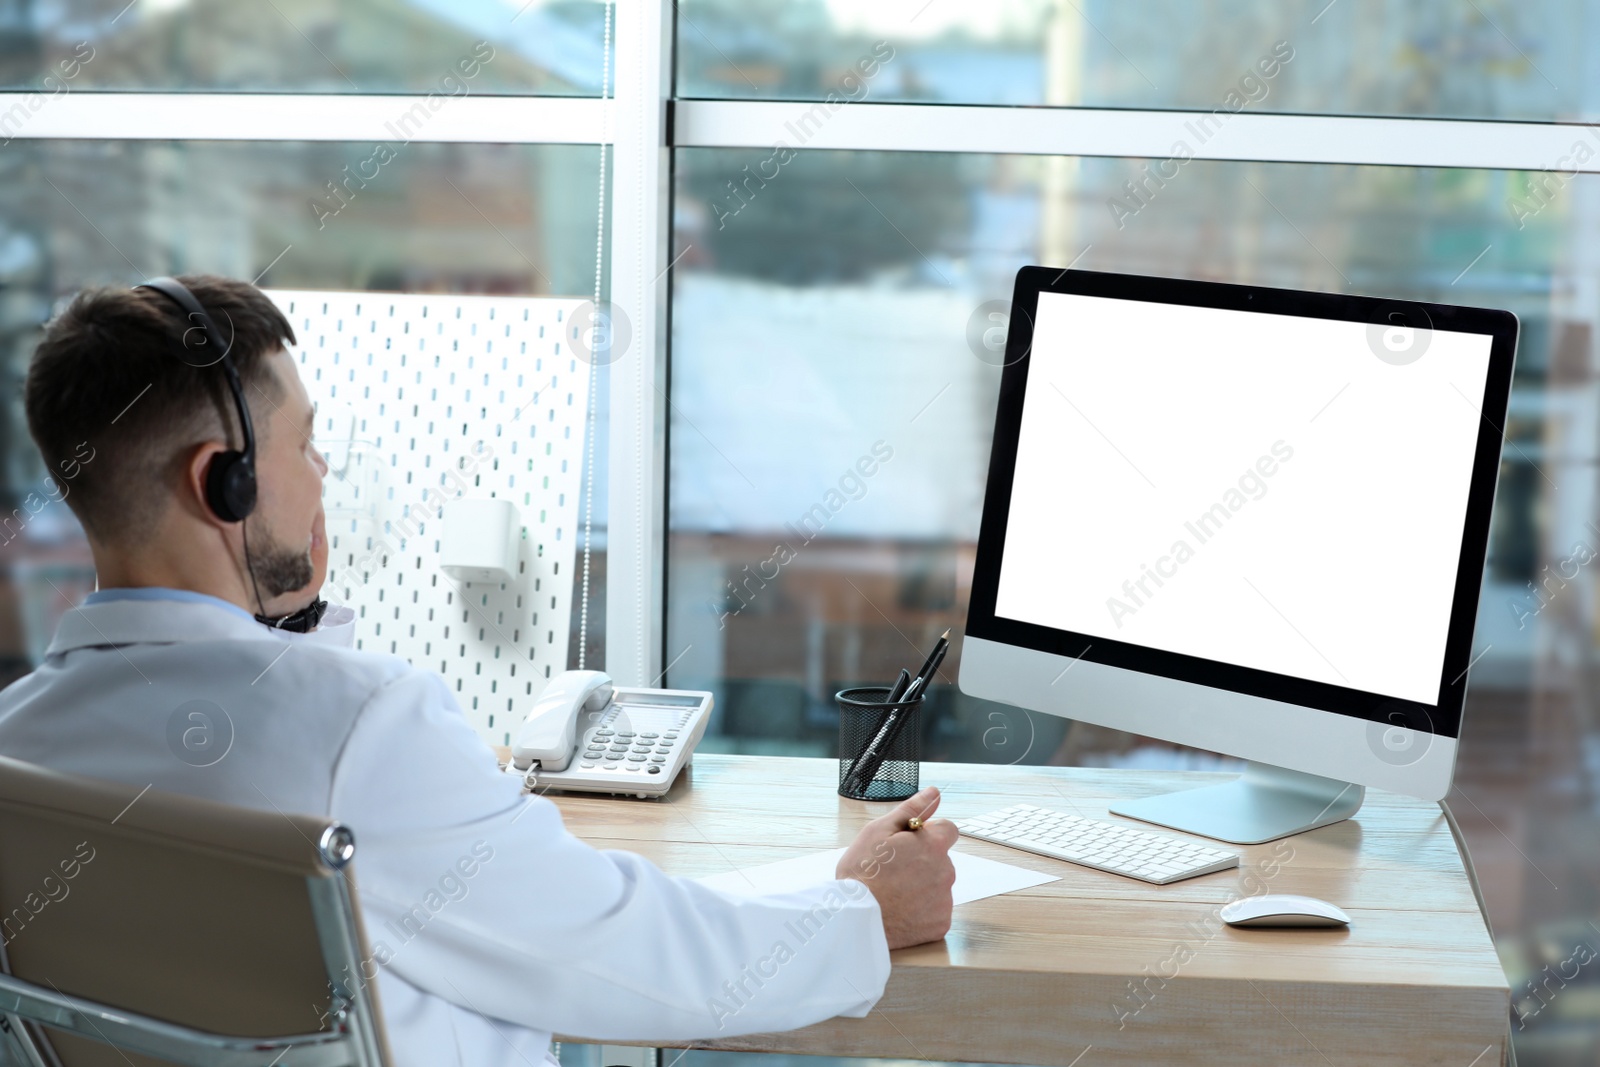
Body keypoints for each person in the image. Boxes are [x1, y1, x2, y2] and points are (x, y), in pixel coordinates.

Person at [0, 276, 958, 1067]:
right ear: (225, 481)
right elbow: (631, 958)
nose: (324, 472)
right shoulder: (362, 727)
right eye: (305, 444)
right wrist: (862, 907)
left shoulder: (18, 746)